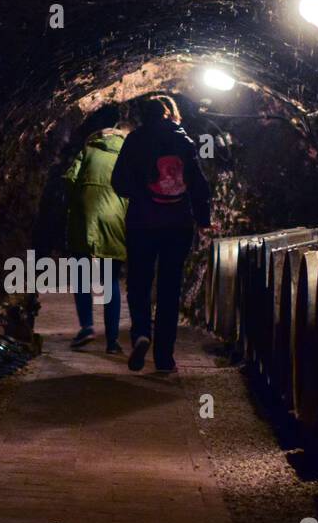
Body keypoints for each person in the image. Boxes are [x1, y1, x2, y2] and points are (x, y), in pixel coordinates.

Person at [111, 94, 213, 373]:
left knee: (139, 283)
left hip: (142, 222)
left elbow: (118, 182)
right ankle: (165, 357)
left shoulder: (135, 141)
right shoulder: (185, 142)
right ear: (170, 114)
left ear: (143, 116)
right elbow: (199, 186)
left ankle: (141, 332)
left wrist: (141, 193)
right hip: (177, 225)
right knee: (170, 288)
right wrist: (203, 220)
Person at [62, 105, 129, 353]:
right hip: (115, 219)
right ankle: (112, 341)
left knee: (81, 275)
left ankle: (87, 327)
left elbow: (69, 179)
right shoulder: (126, 154)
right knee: (110, 279)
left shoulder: (88, 150)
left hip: (84, 216)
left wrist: (74, 200)